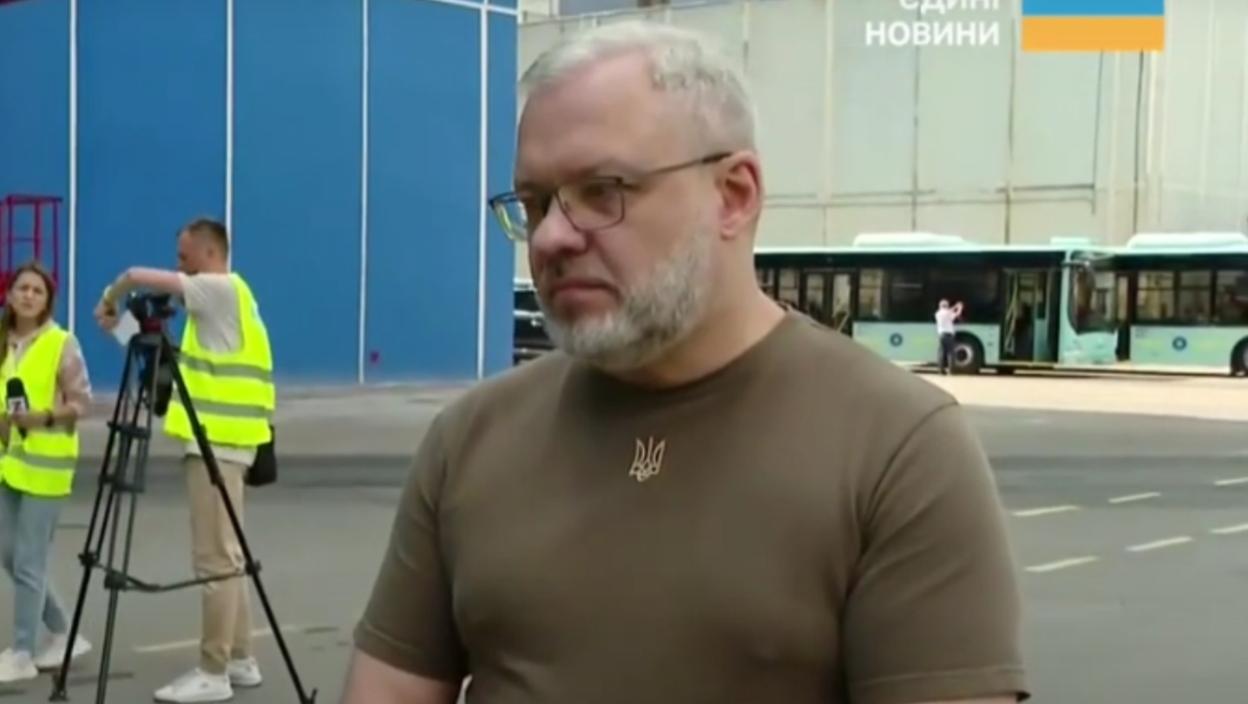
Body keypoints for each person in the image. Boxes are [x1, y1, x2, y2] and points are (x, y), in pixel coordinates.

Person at [341, 21, 1028, 704]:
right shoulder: (470, 438)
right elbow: (390, 689)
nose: (550, 238)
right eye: (536, 203)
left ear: (734, 196)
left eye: (602, 190)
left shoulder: (898, 448)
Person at [94, 217, 274, 704]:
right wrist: (121, 327)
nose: (178, 266)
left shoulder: (220, 289)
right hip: (224, 444)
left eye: (183, 256)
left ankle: (213, 671)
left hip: (217, 446)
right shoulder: (219, 309)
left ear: (210, 254)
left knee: (215, 560)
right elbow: (167, 368)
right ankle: (240, 658)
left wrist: (111, 296)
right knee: (230, 556)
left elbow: (135, 274)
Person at [0, 261, 94, 683]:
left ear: (47, 301)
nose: (28, 296)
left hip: (47, 464)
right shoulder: (3, 341)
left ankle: (22, 651)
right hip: (9, 463)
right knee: (10, 555)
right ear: (9, 295)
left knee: (29, 561)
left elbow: (82, 402)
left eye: (37, 291)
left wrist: (44, 417)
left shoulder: (62, 343)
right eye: (22, 288)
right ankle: (64, 631)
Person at [935, 299, 963, 374]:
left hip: (941, 335)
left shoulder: (937, 313)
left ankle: (941, 371)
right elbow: (957, 314)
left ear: (940, 306)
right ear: (947, 306)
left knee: (941, 353)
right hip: (949, 336)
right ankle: (951, 370)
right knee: (950, 353)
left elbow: (948, 310)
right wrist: (960, 308)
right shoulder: (948, 313)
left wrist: (955, 306)